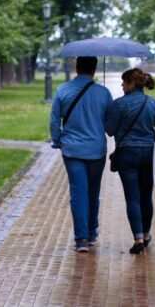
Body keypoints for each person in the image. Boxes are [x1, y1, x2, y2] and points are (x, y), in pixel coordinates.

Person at [50, 56, 113, 252]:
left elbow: (54, 122)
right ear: (94, 70)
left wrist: (58, 140)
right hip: (96, 150)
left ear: (77, 68)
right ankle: (92, 232)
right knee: (93, 192)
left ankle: (81, 239)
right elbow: (110, 126)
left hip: (72, 150)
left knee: (78, 193)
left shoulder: (62, 90)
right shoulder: (103, 93)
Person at [105, 68, 155, 254]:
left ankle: (138, 238)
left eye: (124, 82)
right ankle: (147, 234)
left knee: (132, 197)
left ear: (132, 84)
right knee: (146, 196)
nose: (122, 86)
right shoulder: (154, 104)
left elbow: (110, 130)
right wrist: (149, 137)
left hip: (127, 154)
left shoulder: (118, 104)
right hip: (148, 153)